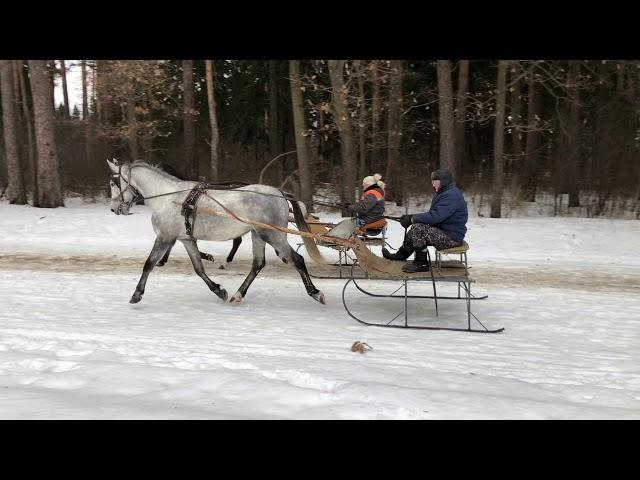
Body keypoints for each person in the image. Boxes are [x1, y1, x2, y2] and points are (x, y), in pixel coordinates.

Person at [382, 169, 468, 273]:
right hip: (445, 231)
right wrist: (412, 218)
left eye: (436, 182)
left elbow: (436, 216)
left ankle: (421, 263)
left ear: (444, 181)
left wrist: (412, 218)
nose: (433, 185)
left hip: (451, 237)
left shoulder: (451, 196)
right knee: (417, 226)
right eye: (432, 182)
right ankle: (401, 255)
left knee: (418, 229)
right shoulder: (444, 193)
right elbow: (435, 216)